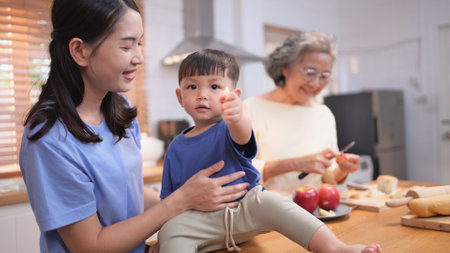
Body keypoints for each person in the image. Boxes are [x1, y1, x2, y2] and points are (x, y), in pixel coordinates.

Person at [18, 1, 250, 252]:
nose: (139, 57)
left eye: (139, 43)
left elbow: (129, 193)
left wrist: (198, 200)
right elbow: (90, 246)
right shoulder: (48, 138)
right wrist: (180, 201)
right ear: (80, 51)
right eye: (126, 45)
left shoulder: (120, 111)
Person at [158, 49, 381, 253]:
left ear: (234, 95)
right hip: (198, 223)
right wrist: (163, 239)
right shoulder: (175, 148)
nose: (202, 94)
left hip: (244, 210)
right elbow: (168, 201)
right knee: (172, 229)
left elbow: (242, 132)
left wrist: (238, 115)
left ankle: (335, 248)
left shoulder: (231, 126)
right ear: (180, 97)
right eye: (192, 86)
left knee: (272, 201)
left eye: (214, 87)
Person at [243, 30, 361, 197]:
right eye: (310, 72)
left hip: (315, 216)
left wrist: (342, 169)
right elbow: (237, 171)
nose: (315, 84)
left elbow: (325, 177)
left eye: (324, 76)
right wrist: (295, 164)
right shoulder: (251, 109)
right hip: (267, 216)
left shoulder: (323, 114)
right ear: (285, 67)